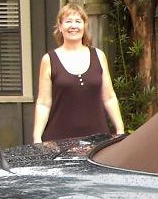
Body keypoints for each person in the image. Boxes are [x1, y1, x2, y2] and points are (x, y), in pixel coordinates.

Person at [32, 3, 125, 143]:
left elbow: (109, 97)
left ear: (84, 26)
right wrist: (37, 137)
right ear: (60, 26)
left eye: (78, 21)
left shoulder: (99, 56)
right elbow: (44, 103)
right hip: (59, 140)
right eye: (68, 21)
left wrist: (120, 130)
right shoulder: (49, 60)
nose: (73, 26)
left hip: (97, 139)